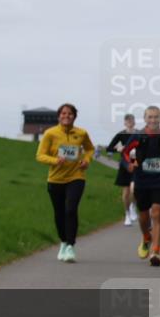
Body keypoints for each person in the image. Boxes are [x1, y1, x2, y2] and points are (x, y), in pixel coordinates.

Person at [35, 103, 95, 263]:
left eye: (70, 114)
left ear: (74, 116)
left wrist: (86, 160)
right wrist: (55, 160)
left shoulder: (81, 133)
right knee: (59, 213)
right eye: (63, 113)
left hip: (76, 177)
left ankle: (70, 246)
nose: (66, 116)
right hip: (55, 179)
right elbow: (40, 155)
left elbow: (90, 149)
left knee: (70, 209)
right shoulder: (50, 134)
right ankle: (63, 241)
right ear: (58, 116)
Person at [122, 106, 160, 267]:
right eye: (150, 117)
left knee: (157, 213)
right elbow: (126, 152)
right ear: (145, 119)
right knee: (144, 217)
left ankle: (155, 251)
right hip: (142, 180)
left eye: (156, 117)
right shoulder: (138, 135)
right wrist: (129, 164)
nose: (153, 120)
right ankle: (146, 237)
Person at [106, 113, 138, 226]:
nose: (129, 122)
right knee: (126, 192)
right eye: (127, 120)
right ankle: (127, 214)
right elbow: (109, 147)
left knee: (134, 190)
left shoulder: (139, 133)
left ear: (134, 122)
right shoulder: (120, 134)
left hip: (135, 163)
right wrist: (118, 149)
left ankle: (133, 206)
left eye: (131, 120)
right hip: (124, 163)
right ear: (125, 122)